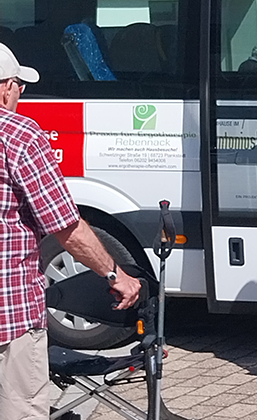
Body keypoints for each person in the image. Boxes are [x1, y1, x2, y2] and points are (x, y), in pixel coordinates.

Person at [0, 43, 142, 420]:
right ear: (5, 88)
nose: (20, 94)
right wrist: (116, 275)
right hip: (7, 314)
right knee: (20, 410)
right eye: (19, 86)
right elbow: (66, 227)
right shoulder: (18, 136)